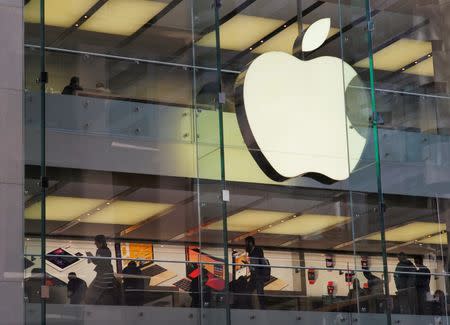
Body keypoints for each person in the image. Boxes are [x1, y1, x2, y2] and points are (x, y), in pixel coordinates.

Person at [85, 235, 116, 305]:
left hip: (103, 274)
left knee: (92, 291)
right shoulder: (107, 250)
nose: (95, 244)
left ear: (100, 242)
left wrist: (91, 257)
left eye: (96, 243)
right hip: (107, 273)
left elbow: (98, 261)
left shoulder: (100, 250)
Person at [245, 236, 265, 309]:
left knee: (259, 292)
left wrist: (250, 265)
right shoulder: (251, 251)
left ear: (250, 243)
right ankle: (250, 307)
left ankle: (262, 308)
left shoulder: (257, 250)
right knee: (248, 290)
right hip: (254, 275)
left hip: (258, 275)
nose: (245, 245)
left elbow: (258, 263)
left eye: (246, 243)